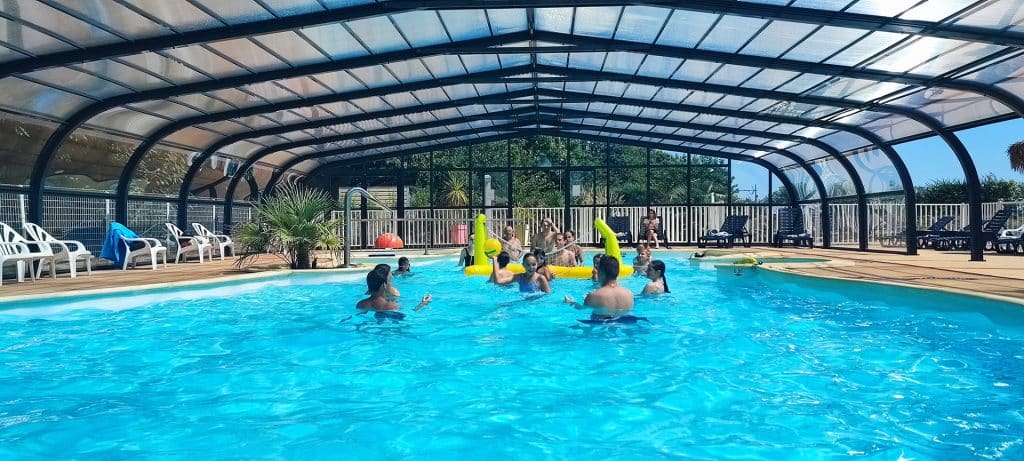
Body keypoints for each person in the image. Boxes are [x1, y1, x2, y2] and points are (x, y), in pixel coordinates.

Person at [564, 256, 636, 322]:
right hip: (626, 324)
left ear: (601, 272)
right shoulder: (629, 294)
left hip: (601, 327)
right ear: (617, 271)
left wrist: (572, 302)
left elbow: (581, 309)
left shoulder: (594, 296)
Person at [356, 267, 431, 320]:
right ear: (384, 285)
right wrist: (423, 304)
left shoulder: (360, 304)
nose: (391, 284)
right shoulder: (391, 306)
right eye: (389, 281)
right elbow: (410, 314)